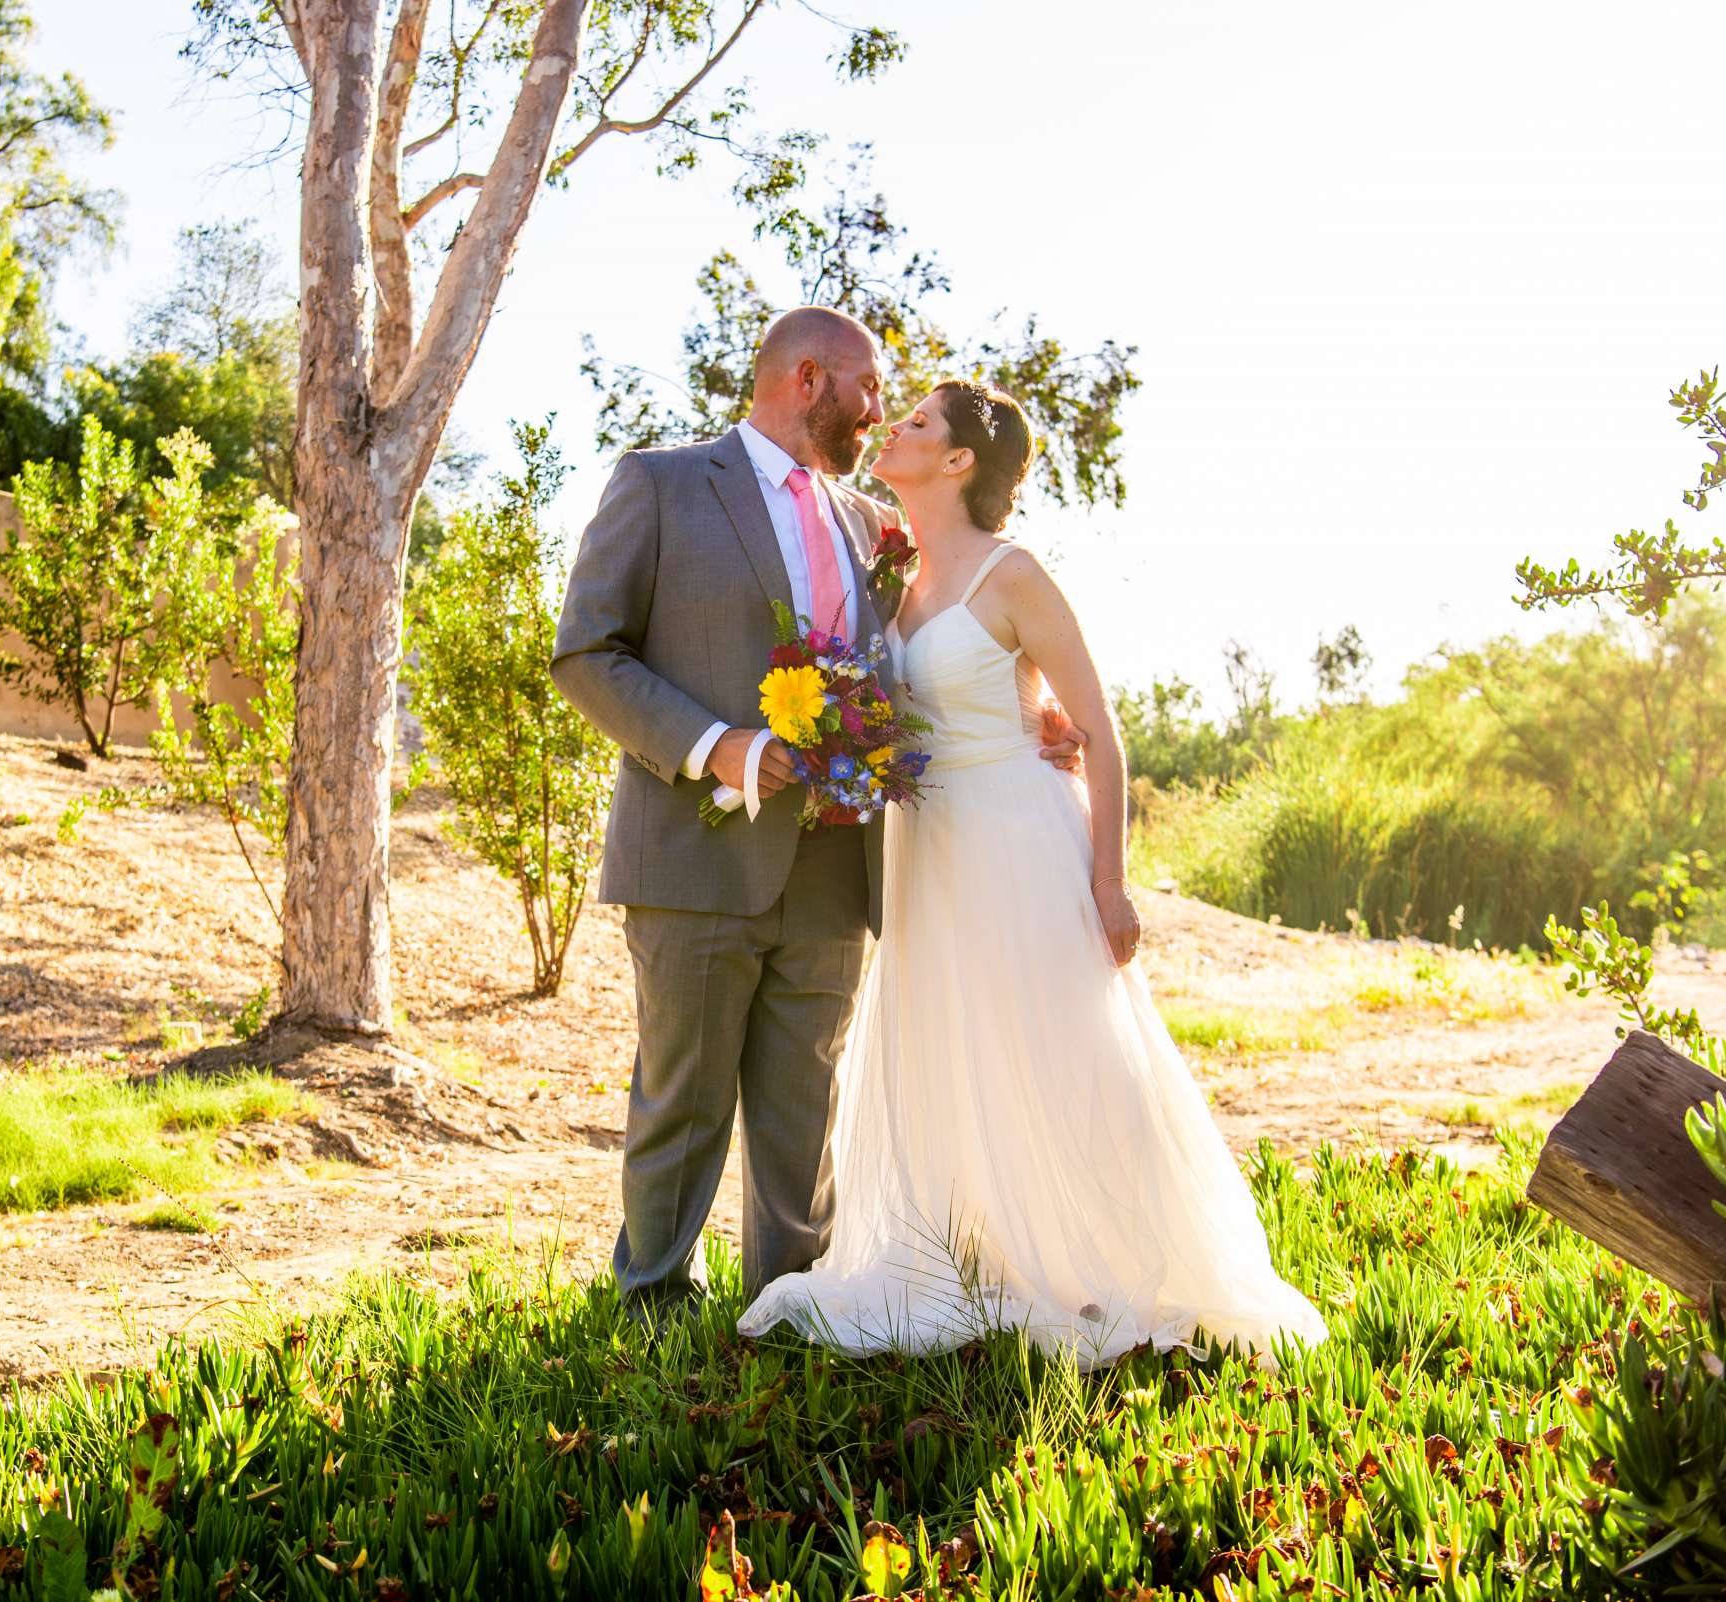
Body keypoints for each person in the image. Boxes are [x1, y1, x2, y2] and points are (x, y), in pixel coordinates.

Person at [735, 378, 1329, 1366]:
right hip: (924, 851)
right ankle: (974, 1253)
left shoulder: (1014, 576)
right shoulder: (892, 571)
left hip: (1018, 835)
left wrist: (1109, 883)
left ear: (960, 461)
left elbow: (1099, 733)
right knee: (947, 1040)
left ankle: (1103, 1259)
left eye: (919, 423)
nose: (897, 429)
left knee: (1053, 1045)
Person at [550, 309, 1085, 1318]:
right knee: (685, 1100)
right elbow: (587, 653)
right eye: (870, 389)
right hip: (697, 853)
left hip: (839, 866)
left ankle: (790, 1308)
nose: (880, 413)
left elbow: (921, 659)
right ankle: (653, 1307)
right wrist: (723, 748)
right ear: (808, 379)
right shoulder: (661, 484)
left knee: (805, 1112)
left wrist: (1029, 709)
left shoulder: (866, 527)